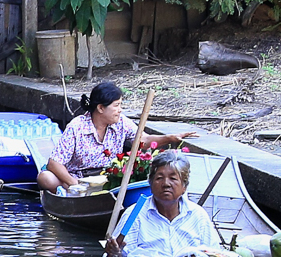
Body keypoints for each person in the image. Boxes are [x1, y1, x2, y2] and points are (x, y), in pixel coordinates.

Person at [39, 80, 197, 192]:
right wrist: (74, 184)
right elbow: (54, 163)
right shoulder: (77, 127)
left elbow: (143, 140)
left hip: (109, 177)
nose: (120, 110)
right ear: (101, 108)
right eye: (116, 106)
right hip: (78, 178)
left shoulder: (120, 122)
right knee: (46, 178)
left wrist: (170, 138)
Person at [105, 149, 222, 257]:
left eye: (173, 178)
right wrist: (116, 253)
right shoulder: (134, 214)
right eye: (159, 178)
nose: (166, 184)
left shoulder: (198, 215)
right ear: (151, 183)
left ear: (184, 186)